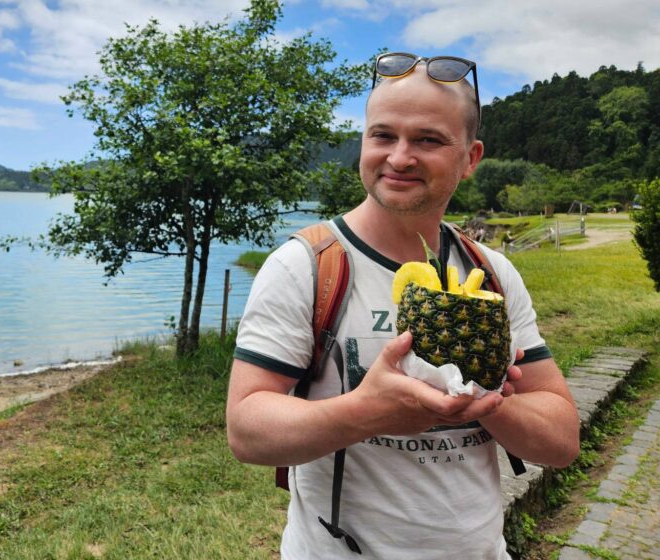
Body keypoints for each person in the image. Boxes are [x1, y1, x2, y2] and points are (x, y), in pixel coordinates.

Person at [226, 53, 580, 559]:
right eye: (383, 135)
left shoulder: (492, 275)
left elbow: (561, 442)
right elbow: (246, 430)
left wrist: (489, 402)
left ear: (471, 158)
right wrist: (367, 412)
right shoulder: (305, 266)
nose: (399, 157)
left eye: (428, 139)